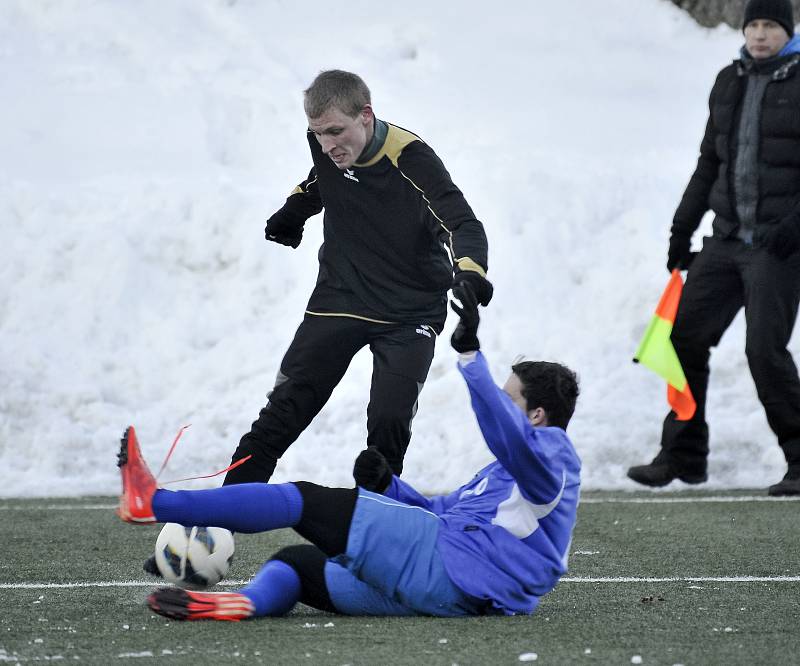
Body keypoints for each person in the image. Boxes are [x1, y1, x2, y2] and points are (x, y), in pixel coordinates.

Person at [117, 282, 581, 620]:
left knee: (301, 500)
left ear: (537, 415)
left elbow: (509, 438)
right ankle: (243, 604)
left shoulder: (552, 459)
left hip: (448, 568)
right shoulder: (513, 475)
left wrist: (470, 360)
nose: (500, 403)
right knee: (294, 565)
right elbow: (445, 509)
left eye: (509, 398)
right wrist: (388, 486)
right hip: (456, 595)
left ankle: (155, 502)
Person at [225, 69, 491, 485]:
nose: (328, 144)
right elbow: (324, 179)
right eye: (317, 133)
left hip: (410, 310)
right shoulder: (327, 145)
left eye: (336, 131)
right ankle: (223, 513)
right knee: (284, 408)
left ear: (365, 115)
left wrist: (471, 273)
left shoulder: (411, 158)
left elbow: (461, 223)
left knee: (389, 420)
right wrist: (294, 210)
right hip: (340, 297)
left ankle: (376, 520)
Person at [628, 0, 800, 496]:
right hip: (724, 241)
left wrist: (793, 227)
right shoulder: (730, 80)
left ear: (786, 31)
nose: (761, 34)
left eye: (770, 26)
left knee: (764, 352)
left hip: (777, 247)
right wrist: (682, 229)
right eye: (754, 25)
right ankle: (683, 455)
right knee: (681, 341)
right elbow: (710, 161)